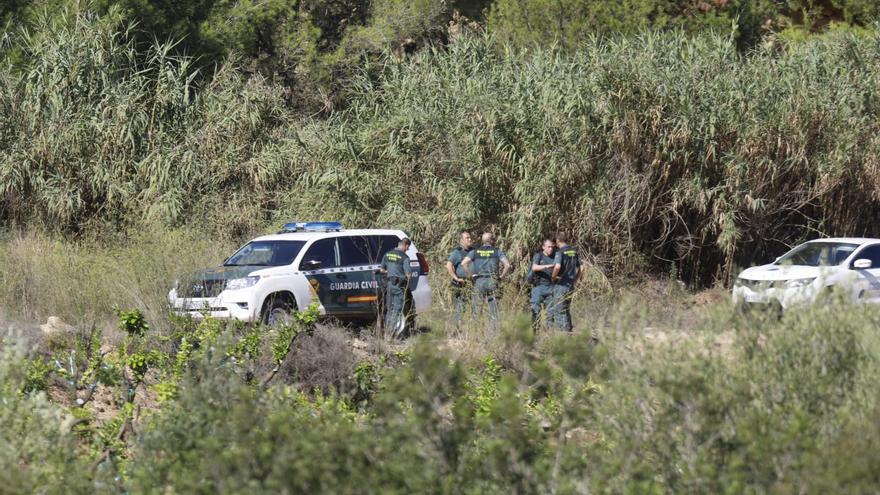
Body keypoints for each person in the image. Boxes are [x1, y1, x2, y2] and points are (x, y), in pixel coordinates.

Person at [461, 232, 511, 326]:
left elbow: (463, 263)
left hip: (479, 281)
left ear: (483, 241)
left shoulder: (475, 251)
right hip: (493, 281)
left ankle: (474, 333)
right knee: (494, 311)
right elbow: (507, 265)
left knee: (476, 309)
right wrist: (501, 277)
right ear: (491, 240)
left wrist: (471, 275)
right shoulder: (497, 251)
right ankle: (493, 334)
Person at [379, 237, 413, 338]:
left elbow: (381, 270)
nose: (407, 249)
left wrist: (390, 272)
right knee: (397, 310)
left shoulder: (387, 254)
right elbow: (408, 274)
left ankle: (386, 334)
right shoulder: (405, 257)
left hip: (389, 285)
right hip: (399, 286)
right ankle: (389, 335)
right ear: (406, 245)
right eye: (408, 247)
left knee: (389, 309)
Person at [551, 233, 581, 332]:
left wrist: (553, 277)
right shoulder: (573, 251)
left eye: (555, 242)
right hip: (570, 284)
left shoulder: (560, 252)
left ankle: (563, 335)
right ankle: (569, 331)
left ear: (558, 241)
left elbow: (557, 266)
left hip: (561, 284)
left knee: (559, 310)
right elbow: (583, 267)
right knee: (566, 309)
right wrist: (576, 279)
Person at [445, 230, 474, 325]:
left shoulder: (473, 251)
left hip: (472, 283)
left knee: (474, 306)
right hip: (461, 284)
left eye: (470, 237)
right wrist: (456, 278)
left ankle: (471, 328)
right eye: (467, 238)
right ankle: (453, 330)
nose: (470, 239)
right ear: (461, 240)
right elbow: (448, 265)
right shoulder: (457, 252)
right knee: (460, 308)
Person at [528, 238, 557, 331]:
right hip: (538, 287)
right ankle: (535, 333)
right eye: (548, 247)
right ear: (543, 247)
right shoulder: (538, 256)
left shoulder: (555, 256)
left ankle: (550, 334)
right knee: (535, 311)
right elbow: (534, 267)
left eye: (552, 247)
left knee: (551, 313)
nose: (551, 249)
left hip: (550, 287)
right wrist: (546, 266)